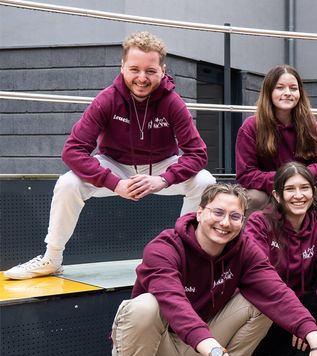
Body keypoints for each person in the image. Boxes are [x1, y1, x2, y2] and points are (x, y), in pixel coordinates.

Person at [89, 183, 317, 356]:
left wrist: (316, 339)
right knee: (145, 305)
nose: (225, 223)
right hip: (154, 354)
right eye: (217, 213)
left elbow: (276, 292)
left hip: (202, 353)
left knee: (262, 302)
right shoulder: (164, 247)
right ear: (199, 213)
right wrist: (217, 354)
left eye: (235, 216)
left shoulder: (243, 249)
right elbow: (174, 303)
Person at [5, 31, 215, 280]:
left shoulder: (172, 103)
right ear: (122, 67)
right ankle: (52, 257)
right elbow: (72, 150)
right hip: (115, 165)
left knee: (205, 182)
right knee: (68, 183)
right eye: (134, 69)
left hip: (160, 167)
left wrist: (165, 179)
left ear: (162, 70)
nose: (142, 78)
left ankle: (183, 256)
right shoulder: (107, 99)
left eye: (150, 71)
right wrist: (115, 183)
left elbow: (198, 154)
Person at [240, 162, 317, 356]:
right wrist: (298, 318)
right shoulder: (259, 223)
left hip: (295, 308)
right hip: (267, 303)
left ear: (313, 193)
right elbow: (261, 278)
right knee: (256, 303)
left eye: (305, 188)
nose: (299, 195)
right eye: (290, 189)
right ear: (277, 195)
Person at [235, 65, 317, 218]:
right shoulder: (250, 127)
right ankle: (253, 240)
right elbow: (246, 175)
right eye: (280, 88)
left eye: (293, 88)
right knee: (253, 198)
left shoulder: (312, 127)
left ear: (300, 93)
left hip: (301, 188)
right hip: (267, 191)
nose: (287, 93)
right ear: (269, 92)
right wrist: (283, 180)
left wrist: (300, 179)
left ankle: (311, 237)